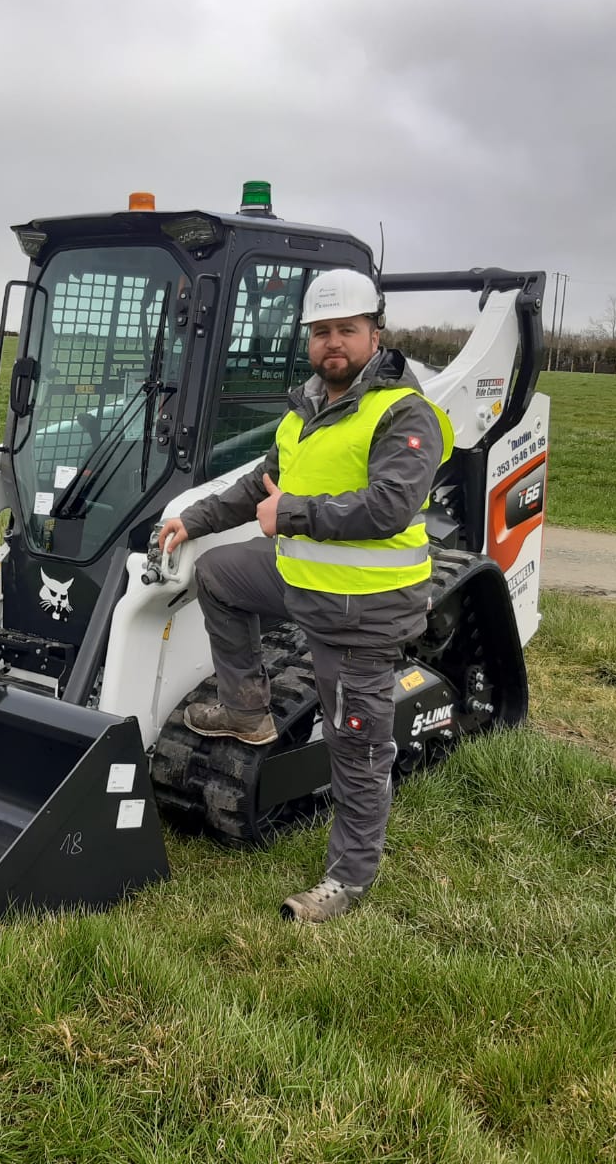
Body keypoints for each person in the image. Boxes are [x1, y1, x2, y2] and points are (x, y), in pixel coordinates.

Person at [156, 268, 453, 922]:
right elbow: (260, 486)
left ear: (374, 334)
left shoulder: (406, 413)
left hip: (361, 612)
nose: (332, 343)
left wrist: (289, 515)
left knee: (355, 748)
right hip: (305, 583)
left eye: (346, 329)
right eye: (320, 332)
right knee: (220, 574)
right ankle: (246, 709)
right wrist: (194, 521)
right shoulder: (308, 408)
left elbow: (387, 506)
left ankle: (347, 879)